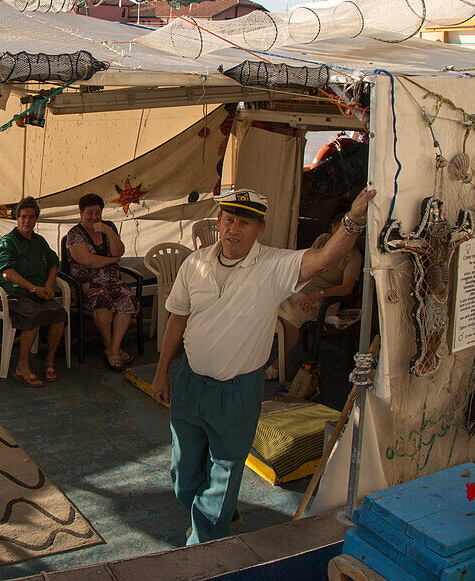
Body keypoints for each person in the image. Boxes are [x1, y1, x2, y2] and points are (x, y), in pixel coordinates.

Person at [151, 186, 375, 544]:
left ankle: (205, 545)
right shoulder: (195, 263)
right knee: (183, 472)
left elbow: (323, 260)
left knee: (225, 467)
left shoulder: (274, 265)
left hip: (238, 390)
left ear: (259, 229)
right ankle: (216, 509)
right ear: (218, 222)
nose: (233, 229)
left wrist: (353, 221)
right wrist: (162, 372)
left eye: (243, 222)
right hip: (191, 381)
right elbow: (177, 317)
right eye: (228, 220)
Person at [266, 213, 363, 380]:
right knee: (266, 307)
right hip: (301, 290)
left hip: (323, 299)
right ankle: (257, 357)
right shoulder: (323, 240)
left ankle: (278, 365)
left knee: (291, 321)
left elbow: (347, 288)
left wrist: (319, 294)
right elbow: (307, 262)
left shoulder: (353, 256)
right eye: (337, 231)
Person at [0, 196, 67, 387]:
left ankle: (49, 361)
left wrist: (49, 285)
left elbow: (53, 263)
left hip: (38, 293)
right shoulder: (8, 241)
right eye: (23, 217)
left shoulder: (39, 241)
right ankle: (22, 367)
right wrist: (33, 288)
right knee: (32, 316)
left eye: (31, 217)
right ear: (17, 219)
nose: (27, 221)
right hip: (14, 295)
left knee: (59, 315)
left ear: (36, 219)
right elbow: (7, 273)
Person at [64, 193, 139, 371]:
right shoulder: (74, 234)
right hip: (86, 283)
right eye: (90, 213)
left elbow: (119, 250)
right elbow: (88, 261)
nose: (94, 217)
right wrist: (112, 261)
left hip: (112, 280)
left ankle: (113, 348)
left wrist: (108, 231)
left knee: (126, 298)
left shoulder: (109, 227)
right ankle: (110, 344)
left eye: (97, 213)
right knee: (101, 299)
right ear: (81, 212)